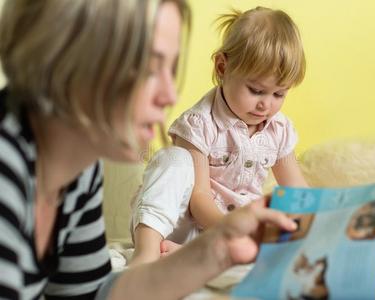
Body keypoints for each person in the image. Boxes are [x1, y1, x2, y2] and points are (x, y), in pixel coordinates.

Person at [0, 0, 298, 299]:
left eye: (171, 68)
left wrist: (218, 249)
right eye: (149, 70)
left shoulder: (78, 169)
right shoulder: (8, 167)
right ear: (68, 61)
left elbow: (87, 295)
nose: (170, 95)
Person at [131, 6, 309, 265]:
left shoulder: (277, 129)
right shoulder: (199, 123)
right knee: (173, 159)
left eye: (279, 94)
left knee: (280, 227)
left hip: (233, 236)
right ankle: (146, 252)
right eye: (256, 90)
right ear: (222, 67)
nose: (266, 105)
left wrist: (319, 221)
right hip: (179, 224)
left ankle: (197, 255)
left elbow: (299, 192)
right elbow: (198, 197)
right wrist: (231, 228)